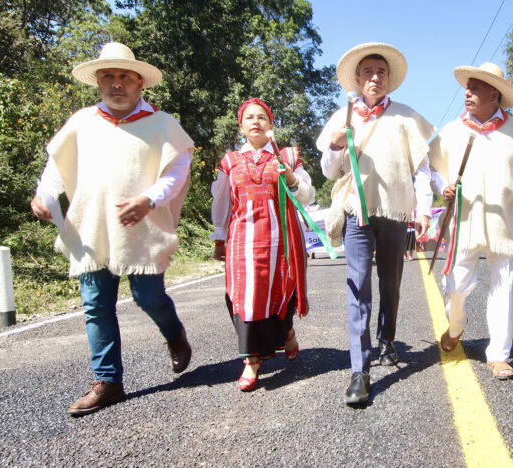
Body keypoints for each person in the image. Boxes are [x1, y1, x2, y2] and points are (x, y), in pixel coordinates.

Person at [29, 42, 194, 416]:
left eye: (124, 76)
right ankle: (108, 382)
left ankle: (175, 335)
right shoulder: (81, 123)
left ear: (139, 83)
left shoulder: (163, 124)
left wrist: (149, 199)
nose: (116, 84)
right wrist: (44, 196)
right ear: (98, 83)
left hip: (143, 226)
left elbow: (176, 171)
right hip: (91, 228)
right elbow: (56, 168)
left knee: (148, 297)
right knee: (96, 305)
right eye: (108, 77)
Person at [316, 43, 435, 405]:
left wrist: (425, 211)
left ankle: (387, 339)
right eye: (367, 72)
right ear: (356, 79)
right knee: (358, 284)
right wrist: (336, 146)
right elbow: (329, 171)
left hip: (396, 211)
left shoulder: (406, 118)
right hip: (357, 211)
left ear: (389, 80)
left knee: (391, 281)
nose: (374, 78)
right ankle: (359, 370)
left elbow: (423, 171)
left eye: (381, 72)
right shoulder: (342, 116)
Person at [429, 62, 513, 380]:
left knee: (504, 287)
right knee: (455, 285)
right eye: (468, 88)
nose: (468, 93)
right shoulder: (453, 131)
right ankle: (456, 325)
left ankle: (498, 355)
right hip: (464, 220)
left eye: (476, 88)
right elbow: (433, 169)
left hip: (506, 220)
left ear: (495, 94)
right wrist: (440, 186)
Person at [210, 98, 314, 392]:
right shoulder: (230, 161)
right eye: (249, 118)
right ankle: (251, 361)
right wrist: (219, 237)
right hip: (242, 240)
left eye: (262, 117)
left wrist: (292, 179)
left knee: (280, 292)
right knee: (244, 296)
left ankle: (287, 331)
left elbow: (307, 196)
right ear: (241, 126)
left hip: (282, 240)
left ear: (270, 125)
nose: (255, 122)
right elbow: (221, 202)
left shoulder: (287, 156)